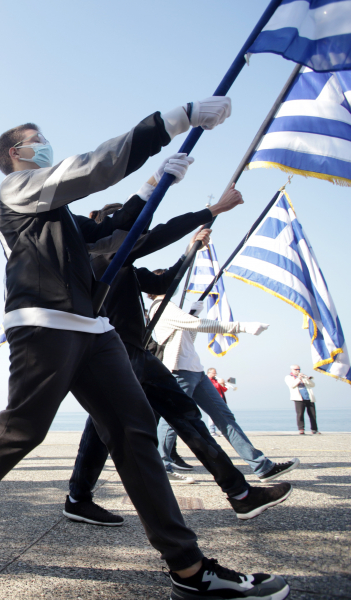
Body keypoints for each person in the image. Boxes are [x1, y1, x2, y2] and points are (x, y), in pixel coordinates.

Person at [0, 102, 291, 599]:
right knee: (23, 429)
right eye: (38, 139)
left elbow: (113, 235)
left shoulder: (57, 212)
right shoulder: (16, 188)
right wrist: (170, 123)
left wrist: (153, 186)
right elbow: (92, 169)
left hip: (93, 328)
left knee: (135, 430)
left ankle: (189, 568)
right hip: (44, 322)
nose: (45, 145)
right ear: (16, 153)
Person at [62, 199, 292, 528]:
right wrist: (210, 211)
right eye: (121, 224)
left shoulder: (122, 264)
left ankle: (78, 498)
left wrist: (190, 251)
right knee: (183, 415)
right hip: (120, 352)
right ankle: (239, 493)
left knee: (105, 427)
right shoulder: (102, 255)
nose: (128, 229)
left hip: (126, 353)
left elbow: (162, 283)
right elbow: (153, 234)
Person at [150, 293, 299, 482]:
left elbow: (189, 337)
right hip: (180, 370)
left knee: (225, 417)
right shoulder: (161, 306)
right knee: (172, 420)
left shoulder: (171, 307)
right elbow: (200, 326)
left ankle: (262, 466)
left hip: (196, 371)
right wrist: (242, 327)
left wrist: (193, 314)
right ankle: (160, 466)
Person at [286, 365, 318, 434]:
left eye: (299, 369)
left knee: (313, 414)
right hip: (298, 398)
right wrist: (299, 378)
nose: (298, 371)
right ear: (291, 370)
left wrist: (307, 379)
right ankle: (301, 429)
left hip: (309, 397)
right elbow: (292, 385)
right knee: (300, 414)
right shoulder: (288, 377)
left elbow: (313, 385)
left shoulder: (303, 377)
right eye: (296, 369)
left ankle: (314, 429)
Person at [207, 367, 227, 436]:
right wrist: (219, 383)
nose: (215, 374)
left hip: (220, 399)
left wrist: (223, 384)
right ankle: (212, 431)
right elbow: (211, 387)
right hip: (212, 400)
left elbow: (223, 389)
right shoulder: (207, 380)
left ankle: (222, 431)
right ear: (209, 373)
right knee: (212, 416)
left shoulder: (215, 380)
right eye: (214, 373)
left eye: (215, 373)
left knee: (221, 416)